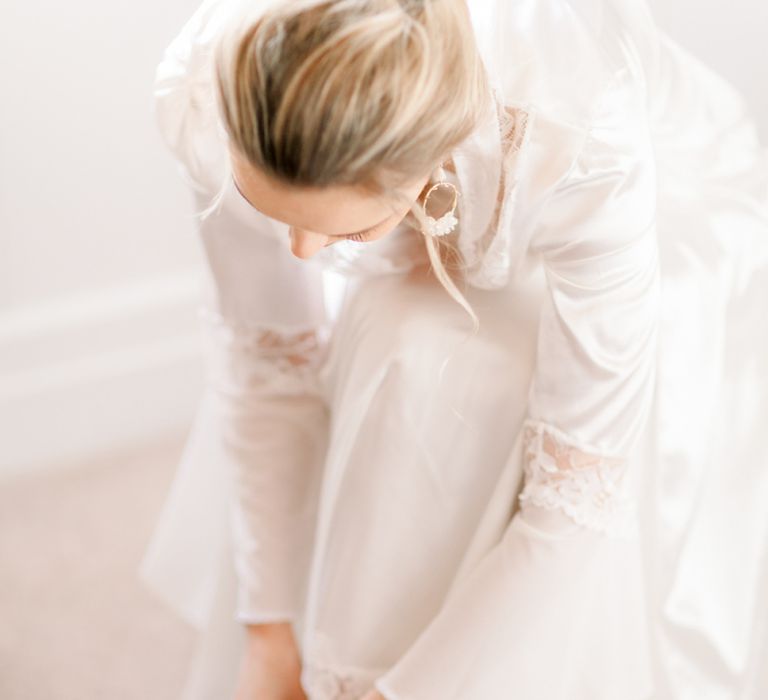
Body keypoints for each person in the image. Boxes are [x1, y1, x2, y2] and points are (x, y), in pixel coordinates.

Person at [138, 1, 768, 698]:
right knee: (392, 337)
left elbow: (576, 500)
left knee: (456, 377)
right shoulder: (222, 89)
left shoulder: (581, 127)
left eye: (341, 233)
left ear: (425, 165)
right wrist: (270, 634)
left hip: (678, 207)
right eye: (277, 212)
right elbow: (268, 367)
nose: (302, 251)